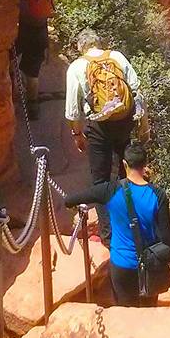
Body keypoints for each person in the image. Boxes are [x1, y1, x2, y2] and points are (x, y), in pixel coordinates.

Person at [64, 141, 170, 306]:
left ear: (125, 164)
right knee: (148, 317)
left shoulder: (110, 190)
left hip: (121, 265)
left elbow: (70, 200)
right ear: (145, 164)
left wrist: (74, 209)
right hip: (150, 266)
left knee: (126, 316)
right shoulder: (158, 195)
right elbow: (167, 235)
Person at [65, 29, 150, 244]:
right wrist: (143, 124)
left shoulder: (76, 67)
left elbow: (73, 111)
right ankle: (134, 223)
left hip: (99, 127)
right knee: (126, 172)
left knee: (101, 179)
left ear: (80, 47)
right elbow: (137, 91)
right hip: (124, 121)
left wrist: (77, 134)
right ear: (99, 43)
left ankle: (108, 235)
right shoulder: (117, 57)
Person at [15, 0, 54, 116]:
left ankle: (9, 99)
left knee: (9, 63)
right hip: (40, 32)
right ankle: (33, 106)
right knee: (33, 72)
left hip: (22, 31)